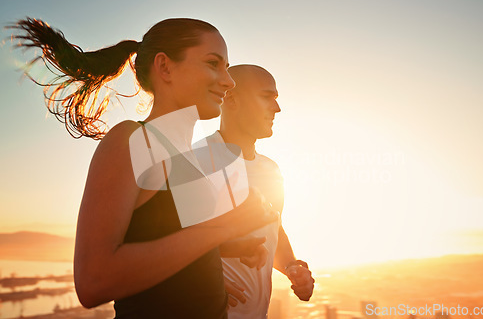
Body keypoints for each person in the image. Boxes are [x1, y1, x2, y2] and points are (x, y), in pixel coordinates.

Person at [11, 18, 278, 318]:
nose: (228, 81)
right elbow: (94, 280)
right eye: (213, 64)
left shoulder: (186, 158)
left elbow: (165, 241)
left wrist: (230, 246)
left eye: (227, 68)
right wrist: (222, 229)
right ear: (165, 67)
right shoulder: (134, 140)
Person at [194, 65, 315, 318]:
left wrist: (292, 266)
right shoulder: (194, 162)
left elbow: (273, 230)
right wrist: (204, 282)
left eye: (276, 99)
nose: (277, 108)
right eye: (266, 97)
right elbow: (169, 246)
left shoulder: (271, 170)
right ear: (231, 99)